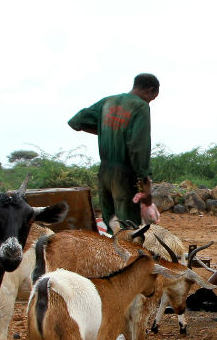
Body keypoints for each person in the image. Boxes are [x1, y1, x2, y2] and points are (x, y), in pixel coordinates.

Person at [68, 73, 159, 233]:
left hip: (104, 174)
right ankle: (126, 258)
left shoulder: (108, 101)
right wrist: (144, 181)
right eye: (153, 97)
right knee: (128, 228)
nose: (151, 101)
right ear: (151, 91)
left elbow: (77, 121)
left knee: (111, 223)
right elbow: (139, 147)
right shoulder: (141, 106)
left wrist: (109, 132)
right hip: (124, 177)